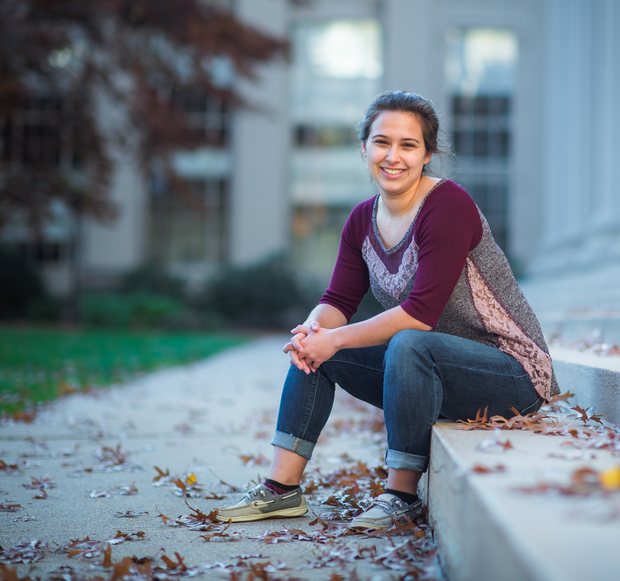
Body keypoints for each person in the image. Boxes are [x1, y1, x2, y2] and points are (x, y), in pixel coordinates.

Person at [218, 90, 558, 530]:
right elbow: (338, 301)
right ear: (364, 149)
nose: (392, 156)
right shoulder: (362, 219)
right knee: (321, 351)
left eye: (408, 145)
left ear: (428, 154)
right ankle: (281, 490)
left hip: (511, 373)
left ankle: (400, 496)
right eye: (381, 142)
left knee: (407, 342)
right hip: (431, 369)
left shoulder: (447, 205)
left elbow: (420, 314)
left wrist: (333, 338)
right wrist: (310, 331)